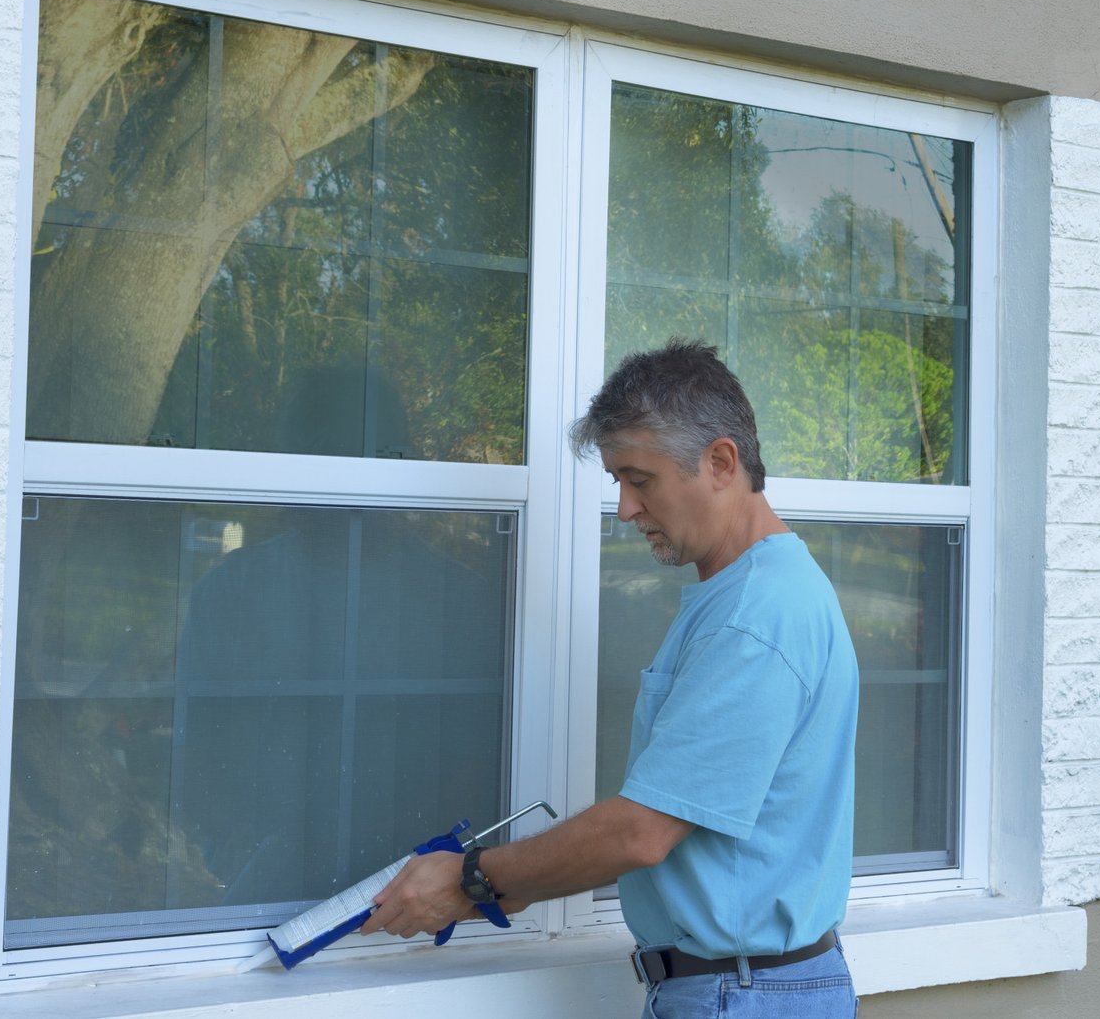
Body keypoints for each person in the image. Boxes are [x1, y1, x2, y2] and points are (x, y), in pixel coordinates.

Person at [363, 339, 860, 1018]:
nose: (625, 508)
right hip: (744, 988)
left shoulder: (757, 617)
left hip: (744, 995)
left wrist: (472, 879)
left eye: (640, 479)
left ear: (720, 462)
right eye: (618, 482)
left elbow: (641, 832)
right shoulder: (746, 595)